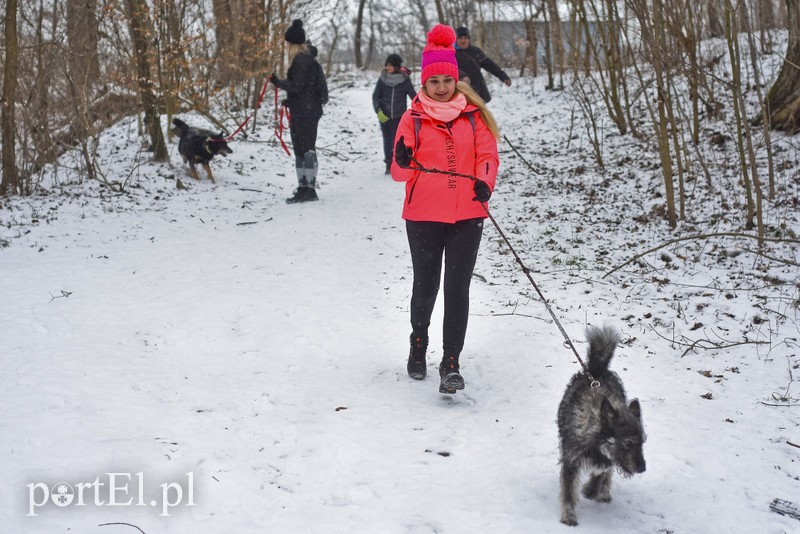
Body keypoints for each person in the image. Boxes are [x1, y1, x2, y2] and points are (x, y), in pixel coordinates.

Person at [391, 24, 500, 395]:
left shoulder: (474, 115)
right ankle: (418, 342)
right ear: (424, 82)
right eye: (433, 80)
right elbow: (398, 172)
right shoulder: (413, 117)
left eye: (446, 80)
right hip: (423, 214)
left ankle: (451, 362)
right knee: (426, 286)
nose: (440, 86)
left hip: (468, 213)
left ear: (456, 79)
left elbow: (487, 155)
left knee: (458, 288)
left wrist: (485, 181)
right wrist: (404, 158)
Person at [270, 19, 328, 204]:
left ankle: (309, 189)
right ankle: (303, 187)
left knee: (307, 150)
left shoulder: (302, 59)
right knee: (301, 150)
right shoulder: (303, 59)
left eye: (288, 43)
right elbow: (303, 89)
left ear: (293, 43)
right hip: (303, 109)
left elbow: (297, 85)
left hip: (307, 112)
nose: (287, 46)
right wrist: (290, 101)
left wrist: (277, 82)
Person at [372, 54, 416, 174]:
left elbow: (413, 95)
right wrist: (378, 111)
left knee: (397, 141)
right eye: (387, 65)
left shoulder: (404, 80)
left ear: (396, 66)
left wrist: (421, 106)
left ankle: (398, 163)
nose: (387, 67)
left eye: (390, 65)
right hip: (384, 116)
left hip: (399, 116)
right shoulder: (382, 79)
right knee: (387, 140)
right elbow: (376, 96)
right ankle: (388, 164)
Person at [454, 26, 511, 104]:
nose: (463, 40)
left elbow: (490, 65)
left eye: (465, 38)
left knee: (480, 114)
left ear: (469, 39)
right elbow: (451, 69)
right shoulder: (452, 53)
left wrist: (504, 77)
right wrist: (462, 76)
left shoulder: (475, 51)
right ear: (456, 39)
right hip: (460, 91)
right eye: (460, 38)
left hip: (478, 90)